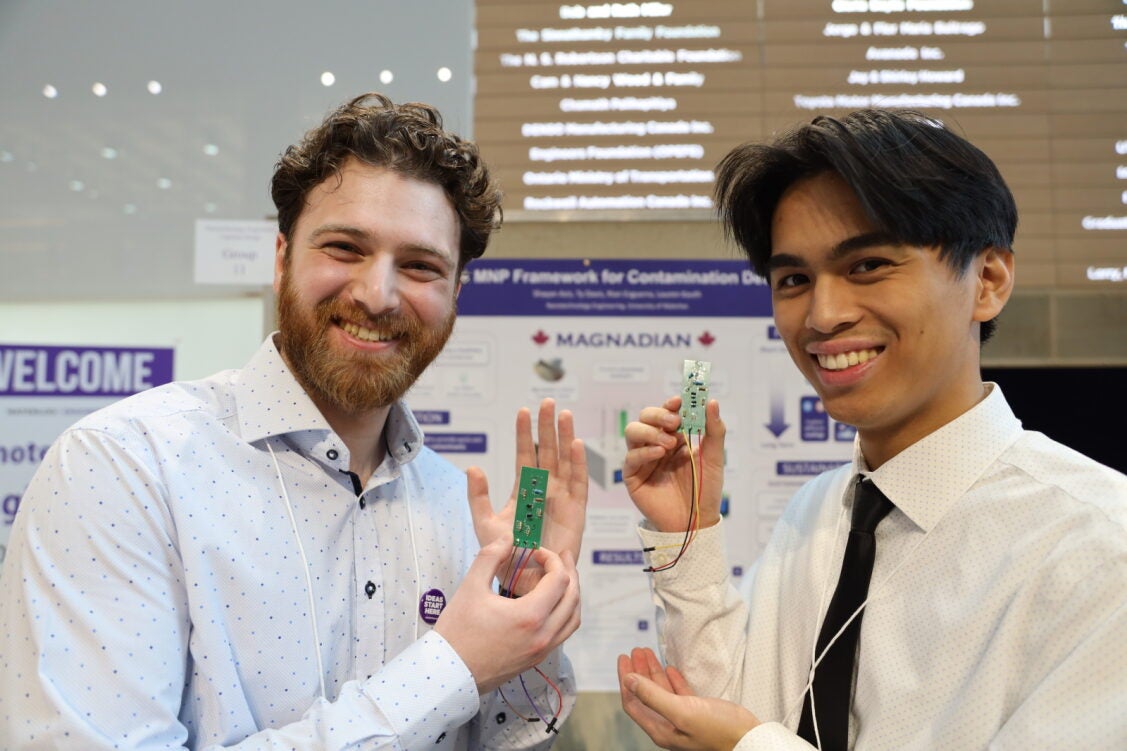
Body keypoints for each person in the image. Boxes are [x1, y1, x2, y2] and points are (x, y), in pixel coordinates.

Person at [0, 93, 588, 750]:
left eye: (420, 266)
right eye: (344, 247)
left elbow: (501, 737)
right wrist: (449, 665)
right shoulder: (123, 468)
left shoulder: (458, 510)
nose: (377, 293)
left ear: (455, 293)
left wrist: (529, 627)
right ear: (282, 257)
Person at [615, 109, 1127, 749]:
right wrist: (684, 533)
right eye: (794, 280)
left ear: (988, 281)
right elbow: (742, 712)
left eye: (868, 266)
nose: (823, 316)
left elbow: (750, 740)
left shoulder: (1100, 545)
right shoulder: (818, 511)